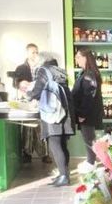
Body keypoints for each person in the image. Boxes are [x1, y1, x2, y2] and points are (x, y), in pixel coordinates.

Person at [23, 54, 75, 187]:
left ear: (42, 60)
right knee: (62, 144)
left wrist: (27, 94)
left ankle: (64, 176)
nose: (33, 63)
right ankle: (64, 173)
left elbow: (37, 91)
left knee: (54, 144)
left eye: (34, 60)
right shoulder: (60, 71)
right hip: (65, 111)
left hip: (53, 113)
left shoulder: (43, 70)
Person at [14, 43, 52, 164]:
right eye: (33, 52)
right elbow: (14, 83)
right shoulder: (21, 68)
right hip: (26, 100)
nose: (35, 54)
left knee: (42, 126)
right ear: (27, 53)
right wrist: (21, 83)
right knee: (27, 127)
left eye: (36, 52)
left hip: (40, 99)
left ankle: (44, 153)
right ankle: (27, 153)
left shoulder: (42, 66)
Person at [72, 48, 103, 165]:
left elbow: (88, 96)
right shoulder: (87, 73)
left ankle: (91, 163)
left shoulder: (89, 74)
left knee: (89, 139)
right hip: (87, 113)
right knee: (89, 138)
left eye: (78, 57)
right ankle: (91, 161)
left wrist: (82, 114)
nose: (76, 59)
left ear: (86, 58)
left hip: (87, 114)